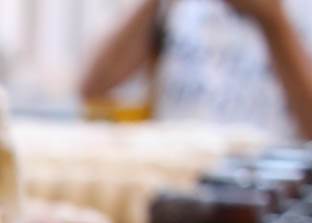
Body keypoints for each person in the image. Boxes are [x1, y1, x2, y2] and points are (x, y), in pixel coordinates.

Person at [80, 0, 312, 140]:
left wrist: (273, 22)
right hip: (178, 182)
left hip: (276, 197)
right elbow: (94, 86)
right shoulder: (177, 8)